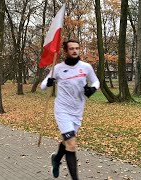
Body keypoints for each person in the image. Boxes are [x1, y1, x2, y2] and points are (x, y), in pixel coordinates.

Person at [40, 39, 100, 180]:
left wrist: (93, 88)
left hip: (77, 111)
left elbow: (96, 81)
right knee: (72, 144)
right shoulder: (58, 68)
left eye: (77, 48)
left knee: (67, 141)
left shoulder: (86, 67)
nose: (75, 51)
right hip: (62, 110)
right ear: (66, 51)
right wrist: (48, 82)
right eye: (71, 48)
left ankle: (56, 159)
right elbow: (43, 86)